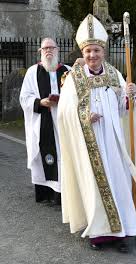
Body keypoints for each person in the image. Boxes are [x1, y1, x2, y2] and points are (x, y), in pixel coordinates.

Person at [57, 14, 136, 252]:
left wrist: (129, 96)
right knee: (95, 186)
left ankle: (122, 233)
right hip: (89, 142)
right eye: (88, 52)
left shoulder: (114, 74)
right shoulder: (73, 79)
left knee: (118, 183)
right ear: (83, 53)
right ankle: (99, 235)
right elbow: (64, 113)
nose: (92, 56)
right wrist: (84, 117)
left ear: (103, 51)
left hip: (113, 140)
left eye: (96, 50)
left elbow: (123, 109)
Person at [20, 37, 71, 205]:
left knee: (65, 155)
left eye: (52, 47)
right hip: (43, 120)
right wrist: (40, 102)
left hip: (65, 121)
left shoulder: (68, 71)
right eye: (45, 48)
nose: (48, 50)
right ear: (40, 52)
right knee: (46, 155)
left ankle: (65, 195)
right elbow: (24, 97)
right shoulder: (32, 72)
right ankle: (46, 194)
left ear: (58, 50)